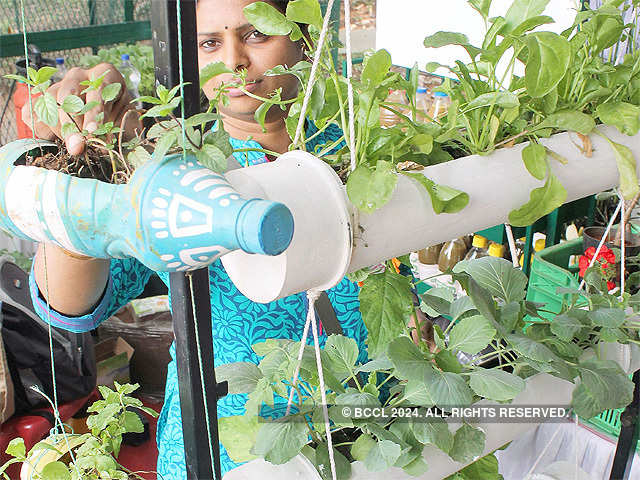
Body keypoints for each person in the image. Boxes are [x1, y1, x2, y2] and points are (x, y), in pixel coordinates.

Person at [24, 0, 368, 478]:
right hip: (231, 450)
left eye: (254, 35)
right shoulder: (176, 171)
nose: (233, 61)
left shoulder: (357, 145)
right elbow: (69, 305)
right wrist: (88, 175)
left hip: (375, 429)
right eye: (210, 43)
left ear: (303, 36)